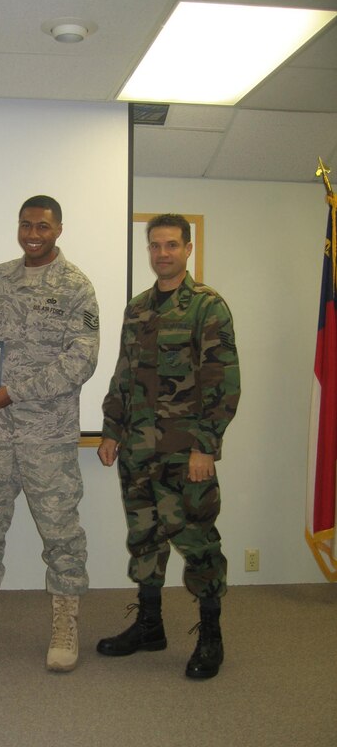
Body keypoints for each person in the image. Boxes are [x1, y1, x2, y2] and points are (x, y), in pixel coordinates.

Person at [0, 196, 99, 672]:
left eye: (43, 226)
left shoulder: (76, 287)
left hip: (47, 436)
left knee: (60, 533)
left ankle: (66, 625)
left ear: (59, 229)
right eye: (27, 225)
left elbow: (81, 360)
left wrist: (19, 391)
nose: (33, 233)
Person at [96, 213, 240, 679]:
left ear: (188, 248)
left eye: (172, 245)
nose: (163, 253)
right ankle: (150, 626)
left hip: (185, 452)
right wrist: (112, 428)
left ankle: (212, 635)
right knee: (145, 540)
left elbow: (222, 380)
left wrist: (206, 446)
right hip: (137, 448)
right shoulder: (137, 308)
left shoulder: (207, 306)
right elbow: (123, 372)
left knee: (197, 540)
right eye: (155, 245)